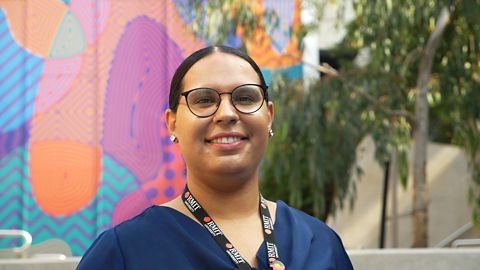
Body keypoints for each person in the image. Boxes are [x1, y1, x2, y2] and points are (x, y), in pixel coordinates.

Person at [76, 45, 353, 270]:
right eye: (204, 100)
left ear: (269, 116)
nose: (227, 114)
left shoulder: (319, 245)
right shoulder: (126, 252)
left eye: (245, 98)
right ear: (172, 123)